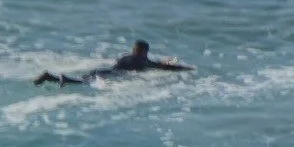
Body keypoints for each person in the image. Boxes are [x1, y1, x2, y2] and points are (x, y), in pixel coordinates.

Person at [34, 41, 195, 86]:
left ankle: (50, 77)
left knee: (83, 80)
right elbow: (165, 67)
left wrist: (163, 62)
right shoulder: (142, 61)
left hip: (104, 70)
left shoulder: (127, 57)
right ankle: (64, 79)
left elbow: (158, 64)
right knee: (84, 83)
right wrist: (187, 68)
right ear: (144, 51)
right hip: (110, 75)